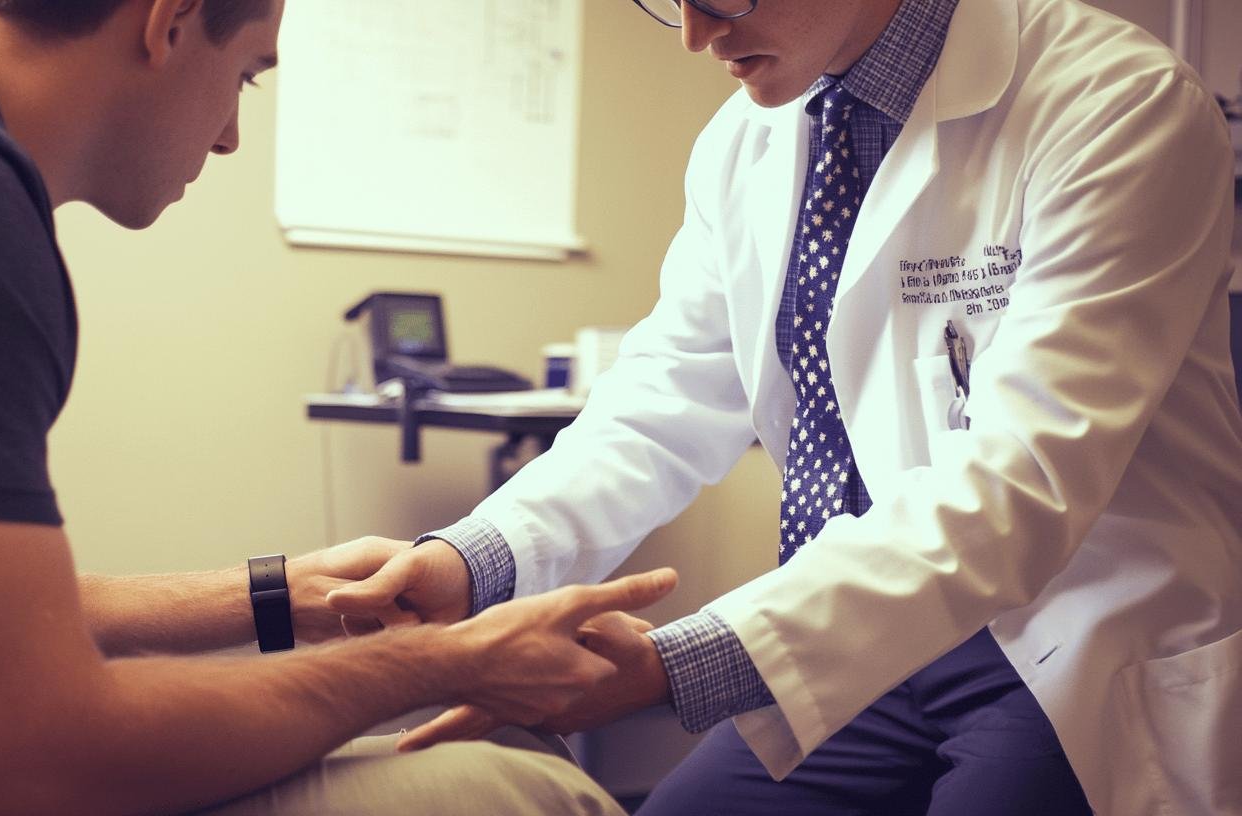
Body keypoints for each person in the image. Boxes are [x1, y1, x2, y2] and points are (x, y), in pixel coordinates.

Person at [329, 0, 1242, 813]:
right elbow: (664, 396)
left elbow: (1023, 484)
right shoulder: (747, 141)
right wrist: (469, 559)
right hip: (866, 629)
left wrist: (673, 667)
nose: (694, 35)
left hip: (1071, 633)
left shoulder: (1118, 107)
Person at [0, 1, 662, 814]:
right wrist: (437, 662)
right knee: (520, 790)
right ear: (169, 20)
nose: (234, 137)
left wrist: (287, 594)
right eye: (246, 74)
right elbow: (30, 762)